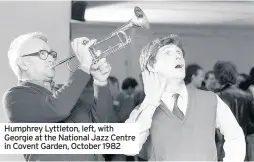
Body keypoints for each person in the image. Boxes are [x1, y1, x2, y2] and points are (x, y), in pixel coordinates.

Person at [125, 34, 245, 161]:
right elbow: (127, 147)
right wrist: (151, 101)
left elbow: (235, 135)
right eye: (168, 53)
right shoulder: (143, 110)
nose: (178, 56)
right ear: (151, 66)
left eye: (179, 52)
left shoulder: (211, 99)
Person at [3, 32, 113, 161]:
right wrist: (83, 67)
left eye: (51, 54)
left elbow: (98, 123)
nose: (51, 59)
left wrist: (100, 82)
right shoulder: (15, 96)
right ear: (23, 63)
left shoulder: (65, 91)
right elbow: (57, 109)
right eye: (43, 54)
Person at [213, 61, 253, 161]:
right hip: (242, 145)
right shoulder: (247, 96)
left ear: (218, 76)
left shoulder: (216, 97)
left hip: (222, 147)